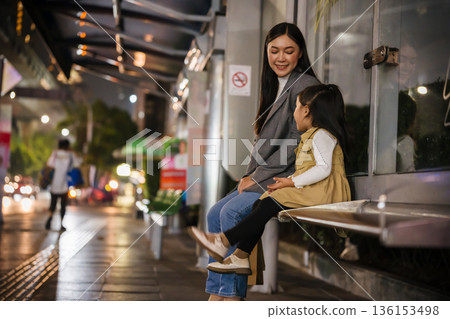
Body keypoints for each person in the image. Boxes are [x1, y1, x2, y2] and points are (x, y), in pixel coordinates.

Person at [198, 22, 319, 301]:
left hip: (285, 177)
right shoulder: (275, 84)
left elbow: (298, 142)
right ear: (266, 51)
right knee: (215, 214)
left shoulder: (306, 86)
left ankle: (230, 297)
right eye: (274, 50)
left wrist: (257, 178)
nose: (280, 57)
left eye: (289, 51)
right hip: (265, 172)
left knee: (230, 214)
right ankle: (218, 293)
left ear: (300, 53)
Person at [189, 84, 351, 275]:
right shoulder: (312, 136)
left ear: (306, 111)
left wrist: (290, 182)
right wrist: (286, 182)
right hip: (315, 191)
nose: (294, 114)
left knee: (267, 203)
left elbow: (323, 169)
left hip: (325, 194)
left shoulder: (321, 135)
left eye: (297, 107)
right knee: (263, 202)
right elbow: (309, 169)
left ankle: (224, 241)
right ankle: (241, 256)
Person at [45, 139, 74, 231]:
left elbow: (49, 164)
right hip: (64, 185)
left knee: (52, 204)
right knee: (63, 206)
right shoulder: (70, 155)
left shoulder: (55, 153)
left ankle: (49, 220)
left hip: (54, 184)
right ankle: (61, 224)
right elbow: (73, 166)